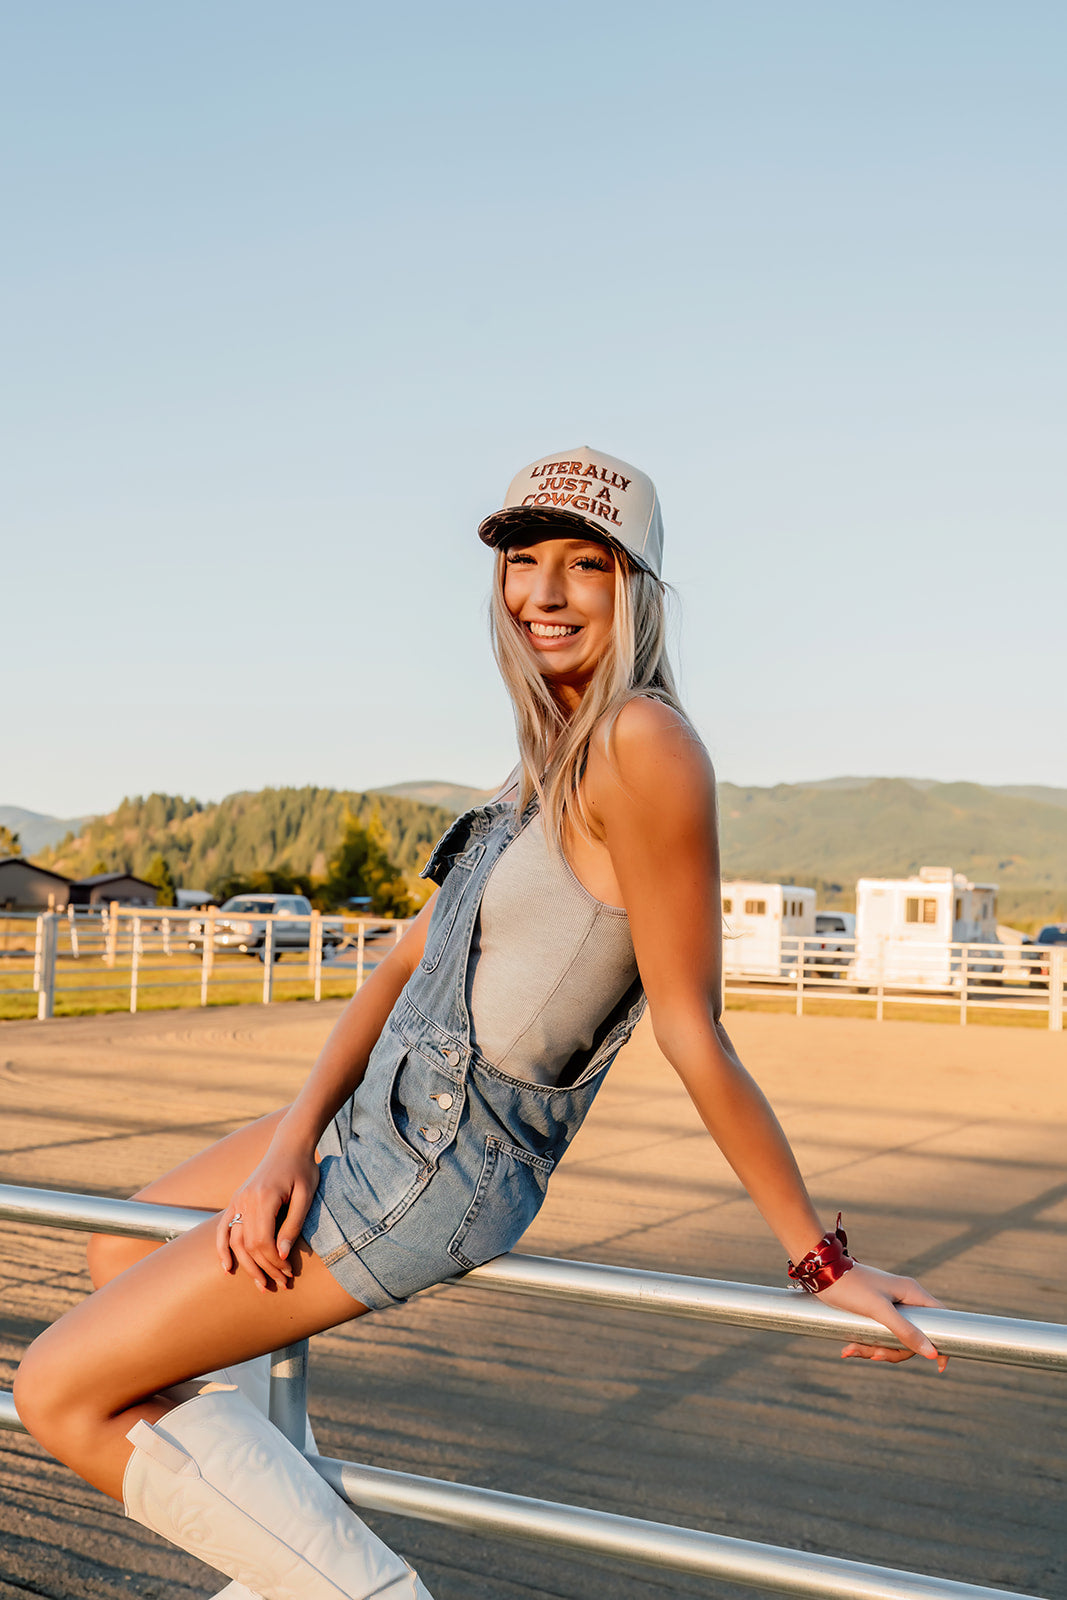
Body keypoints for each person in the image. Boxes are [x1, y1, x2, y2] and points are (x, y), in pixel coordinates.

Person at [14, 446, 947, 1600]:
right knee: (126, 1233)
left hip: (441, 1158)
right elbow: (407, 954)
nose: (543, 594)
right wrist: (291, 1138)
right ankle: (289, 1554)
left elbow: (690, 1028)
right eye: (521, 561)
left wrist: (816, 1260)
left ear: (636, 588)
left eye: (582, 566)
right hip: (374, 1117)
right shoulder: (540, 759)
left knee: (58, 1387)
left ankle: (359, 1591)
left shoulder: (644, 748)